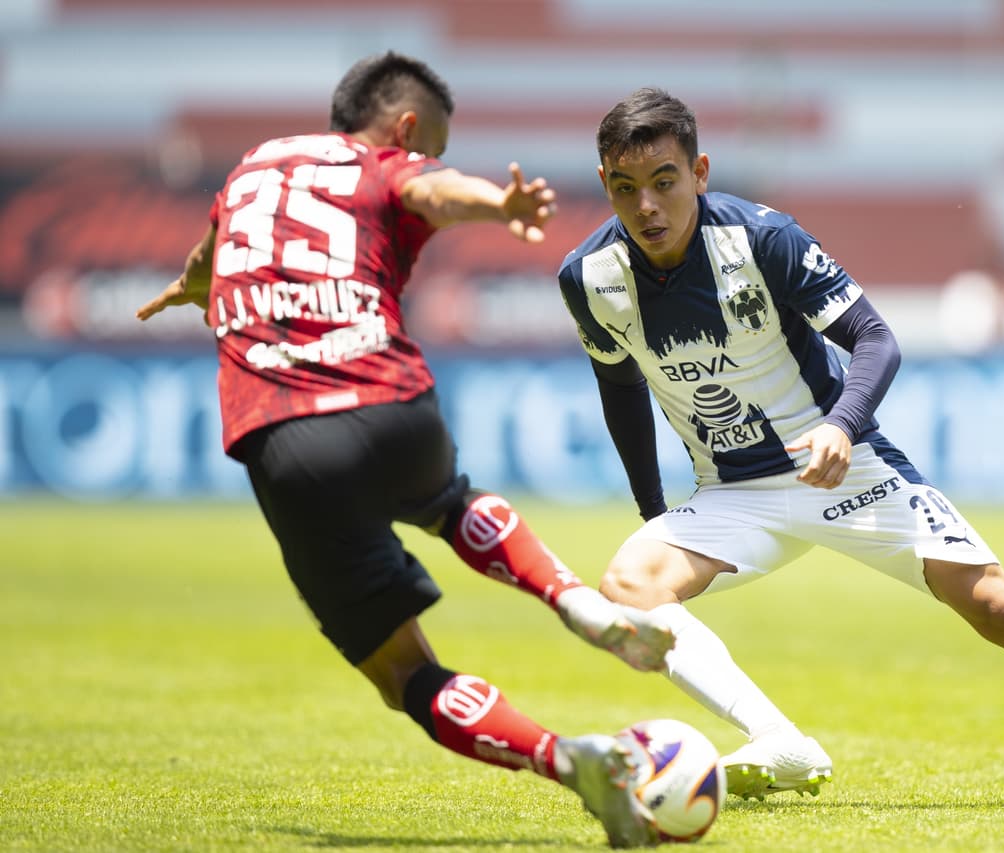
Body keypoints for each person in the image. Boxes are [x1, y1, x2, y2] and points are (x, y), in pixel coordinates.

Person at [556, 87, 1004, 810]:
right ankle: (781, 741)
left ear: (700, 172)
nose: (647, 206)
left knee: (1000, 608)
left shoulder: (764, 239)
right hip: (733, 494)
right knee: (629, 584)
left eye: (664, 181)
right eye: (625, 188)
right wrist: (654, 513)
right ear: (605, 184)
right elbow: (621, 390)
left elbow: (876, 339)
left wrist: (841, 423)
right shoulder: (588, 277)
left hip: (846, 469)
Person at [135, 51, 675, 848]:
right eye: (433, 146)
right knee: (449, 501)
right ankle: (576, 601)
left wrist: (192, 285)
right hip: (390, 404)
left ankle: (569, 759)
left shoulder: (253, 167)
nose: (429, 160)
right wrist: (497, 202)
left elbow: (207, 256)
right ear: (406, 127)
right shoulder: (382, 163)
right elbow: (427, 190)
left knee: (405, 674)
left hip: (284, 439)